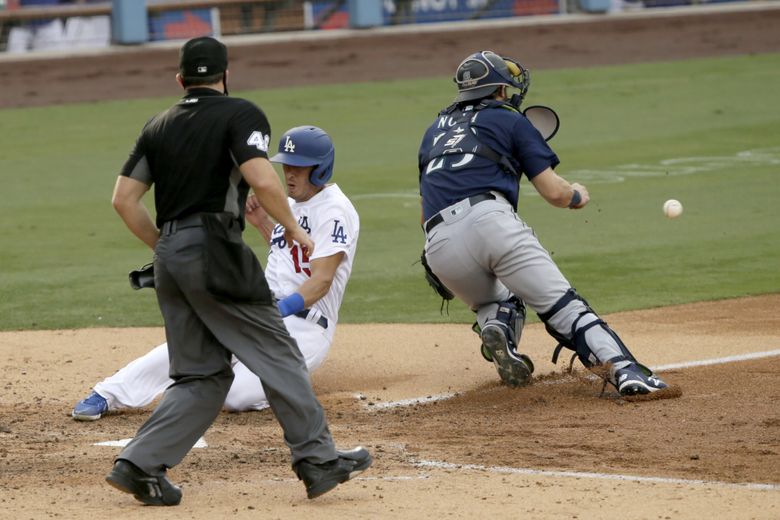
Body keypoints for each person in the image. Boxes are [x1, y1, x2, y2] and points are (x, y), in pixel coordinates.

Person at [107, 36, 370, 506]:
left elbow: (123, 200)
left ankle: (140, 464)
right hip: (217, 252)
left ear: (180, 79)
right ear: (226, 76)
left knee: (202, 375)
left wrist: (167, 247)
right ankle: (317, 459)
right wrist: (295, 230)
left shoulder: (158, 125)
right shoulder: (240, 114)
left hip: (172, 259)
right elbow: (263, 177)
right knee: (279, 352)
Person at [418, 50, 669, 396]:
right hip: (490, 222)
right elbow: (554, 192)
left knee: (499, 298)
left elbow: (422, 214)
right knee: (564, 308)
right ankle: (626, 371)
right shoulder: (510, 119)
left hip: (439, 246)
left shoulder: (434, 130)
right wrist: (577, 195)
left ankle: (497, 328)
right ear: (501, 90)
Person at [72, 125, 359, 422]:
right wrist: (261, 221)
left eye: (299, 167)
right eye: (286, 165)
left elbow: (322, 280)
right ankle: (107, 393)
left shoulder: (335, 211)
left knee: (237, 398)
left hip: (307, 328)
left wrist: (279, 309)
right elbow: (290, 251)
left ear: (321, 169)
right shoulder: (289, 207)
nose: (289, 174)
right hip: (263, 310)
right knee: (193, 344)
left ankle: (284, 380)